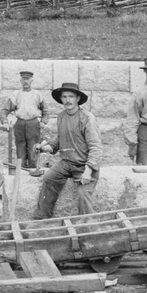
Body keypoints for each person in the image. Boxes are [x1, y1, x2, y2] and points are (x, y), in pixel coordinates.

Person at [32, 82, 104, 219]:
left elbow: (96, 147)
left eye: (71, 96)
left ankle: (87, 226)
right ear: (61, 99)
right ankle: (42, 220)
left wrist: (88, 171)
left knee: (83, 195)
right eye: (64, 97)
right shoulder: (61, 116)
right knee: (49, 178)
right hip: (67, 163)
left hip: (84, 164)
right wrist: (46, 148)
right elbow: (61, 137)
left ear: (78, 98)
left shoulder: (87, 118)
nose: (68, 100)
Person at [0, 69, 48, 170]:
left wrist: (43, 121)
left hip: (33, 124)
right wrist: (5, 122)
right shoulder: (16, 94)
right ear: (20, 80)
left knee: (34, 148)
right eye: (23, 79)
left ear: (31, 80)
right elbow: (4, 110)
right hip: (20, 124)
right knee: (20, 149)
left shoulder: (38, 94)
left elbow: (45, 111)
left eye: (27, 79)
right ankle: (21, 171)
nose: (25, 81)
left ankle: (33, 170)